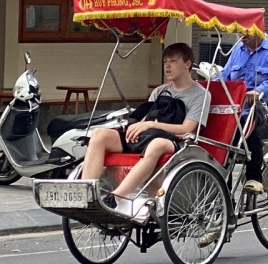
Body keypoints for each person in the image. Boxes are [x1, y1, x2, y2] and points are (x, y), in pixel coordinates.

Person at [78, 43, 210, 221]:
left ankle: (116, 197)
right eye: (165, 62)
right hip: (147, 136)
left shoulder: (200, 94)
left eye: (173, 61)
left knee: (156, 144)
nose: (167, 66)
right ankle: (85, 193)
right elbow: (146, 118)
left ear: (187, 64)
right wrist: (138, 126)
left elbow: (187, 129)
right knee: (100, 134)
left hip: (176, 141)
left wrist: (150, 125)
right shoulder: (159, 91)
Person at [222, 28, 268, 194]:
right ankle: (223, 192)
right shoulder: (237, 51)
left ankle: (254, 178)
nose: (241, 35)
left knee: (249, 126)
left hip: (267, 113)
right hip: (237, 113)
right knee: (221, 137)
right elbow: (224, 76)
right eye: (238, 31)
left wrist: (259, 90)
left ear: (258, 29)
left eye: (245, 31)